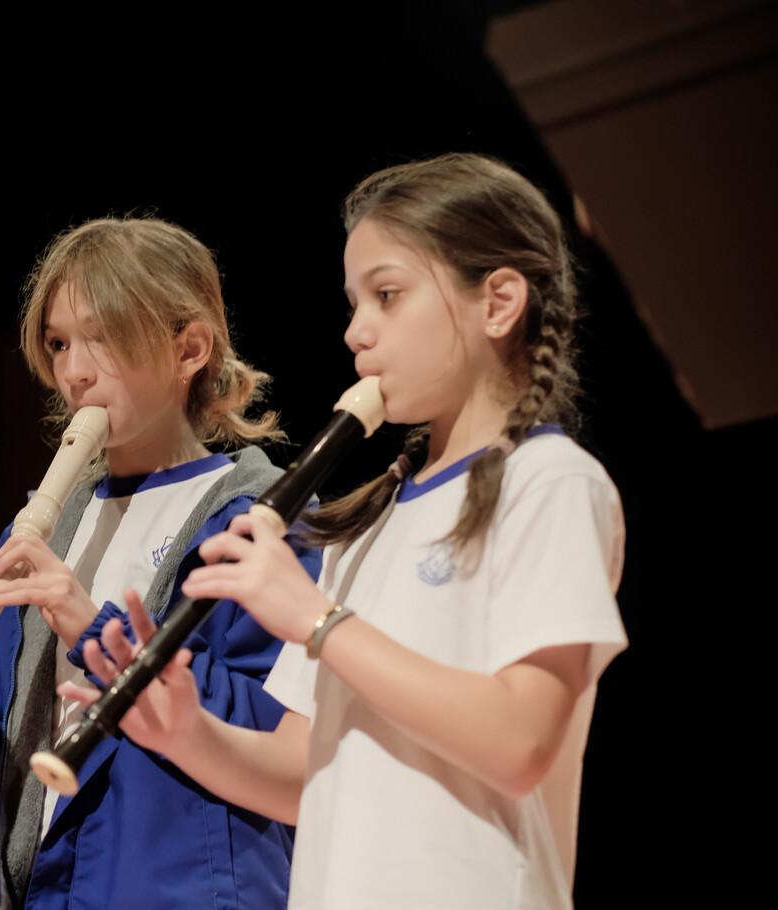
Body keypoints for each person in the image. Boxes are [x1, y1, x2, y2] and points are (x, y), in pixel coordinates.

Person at [70, 154, 628, 910]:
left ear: (498, 303)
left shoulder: (551, 482)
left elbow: (520, 742)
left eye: (387, 296)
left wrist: (320, 623)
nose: (356, 332)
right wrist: (183, 733)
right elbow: (303, 777)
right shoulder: (372, 515)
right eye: (354, 301)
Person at [0, 217, 321, 909]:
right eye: (59, 342)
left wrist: (92, 629)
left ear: (190, 347)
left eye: (103, 337)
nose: (74, 372)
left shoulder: (258, 521)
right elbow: (4, 800)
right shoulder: (44, 528)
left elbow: (276, 734)